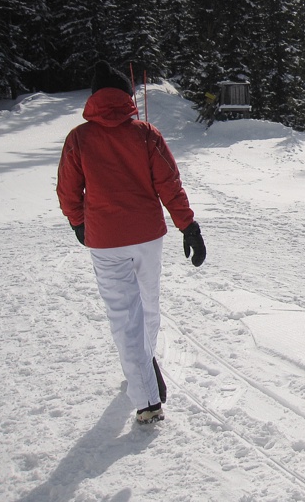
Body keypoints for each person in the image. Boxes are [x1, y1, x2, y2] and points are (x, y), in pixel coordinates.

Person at [57, 61, 206, 424]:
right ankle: (145, 367)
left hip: (106, 240)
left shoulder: (79, 138)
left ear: (94, 99)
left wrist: (79, 222)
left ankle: (146, 399)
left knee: (125, 316)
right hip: (147, 237)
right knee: (148, 304)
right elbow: (169, 183)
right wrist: (189, 226)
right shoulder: (146, 133)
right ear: (126, 96)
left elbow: (67, 190)